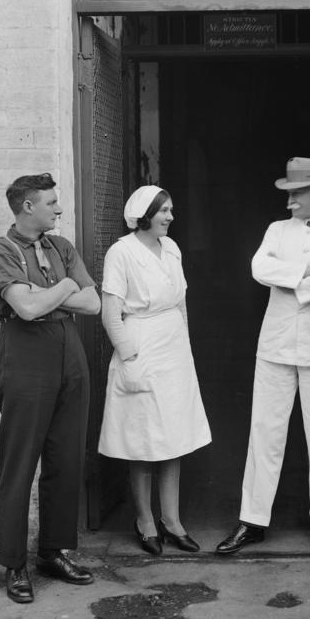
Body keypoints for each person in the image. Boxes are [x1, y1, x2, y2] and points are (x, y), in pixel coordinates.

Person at [216, 157, 310, 556]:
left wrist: (291, 278)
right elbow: (259, 268)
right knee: (264, 435)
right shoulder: (276, 230)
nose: (290, 201)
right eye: (288, 192)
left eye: (297, 193)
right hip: (276, 346)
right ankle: (252, 521)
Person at [0, 173, 101, 604]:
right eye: (50, 202)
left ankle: (53, 551)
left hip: (68, 354)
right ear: (27, 206)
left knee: (66, 458)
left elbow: (94, 303)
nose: (59, 209)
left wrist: (50, 293)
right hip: (25, 356)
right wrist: (66, 286)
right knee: (19, 461)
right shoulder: (0, 250)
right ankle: (15, 564)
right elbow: (26, 309)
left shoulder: (61, 247)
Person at [97, 185, 211, 555]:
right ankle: (145, 520)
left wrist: (186, 349)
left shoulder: (172, 249)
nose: (170, 217)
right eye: (164, 211)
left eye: (171, 210)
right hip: (141, 345)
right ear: (145, 214)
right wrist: (129, 358)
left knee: (173, 438)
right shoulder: (122, 252)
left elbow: (181, 304)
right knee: (143, 442)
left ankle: (172, 521)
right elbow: (111, 313)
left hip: (173, 350)